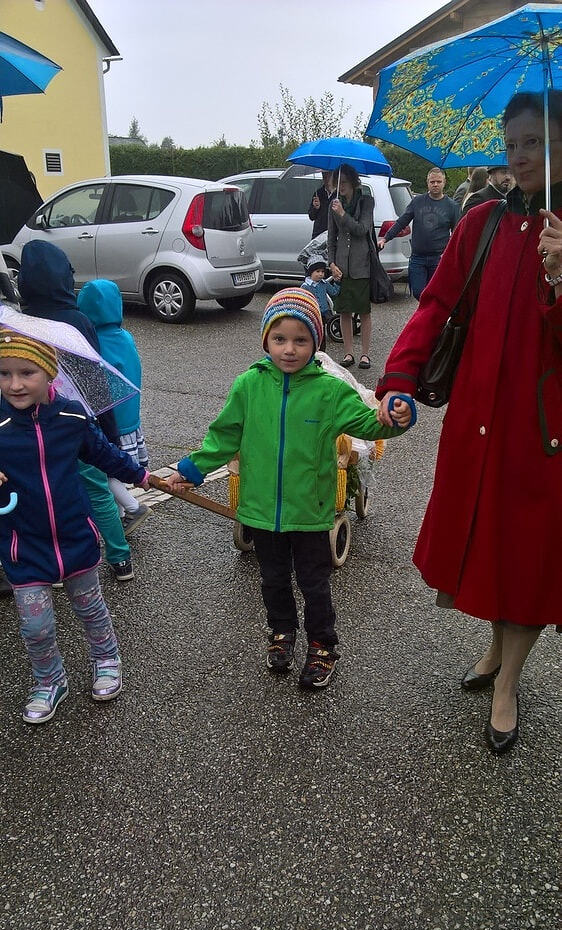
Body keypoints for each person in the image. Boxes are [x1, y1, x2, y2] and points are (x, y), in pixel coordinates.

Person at [375, 89, 562, 755]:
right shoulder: (481, 220)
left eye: (535, 142)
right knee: (486, 545)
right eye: (512, 145)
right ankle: (494, 648)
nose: (521, 156)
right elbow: (436, 304)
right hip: (477, 421)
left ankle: (509, 681)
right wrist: (399, 375)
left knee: (528, 558)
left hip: (541, 434)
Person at [167, 287, 416, 690]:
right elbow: (223, 437)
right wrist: (190, 469)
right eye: (279, 338)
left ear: (315, 343)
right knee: (273, 580)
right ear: (266, 339)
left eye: (301, 340)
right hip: (262, 510)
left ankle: (322, 646)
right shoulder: (249, 385)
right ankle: (282, 632)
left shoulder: (330, 391)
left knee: (314, 584)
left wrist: (396, 417)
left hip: (310, 511)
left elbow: (370, 424)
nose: (289, 349)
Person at [0, 329, 151, 724]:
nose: (15, 384)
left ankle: (107, 659)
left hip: (74, 537)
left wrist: (142, 476)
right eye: (4, 373)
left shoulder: (72, 416)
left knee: (90, 608)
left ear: (49, 373)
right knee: (35, 626)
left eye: (27, 372)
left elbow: (104, 454)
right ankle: (49, 681)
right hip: (23, 545)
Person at [17, 241, 136, 581]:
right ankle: (120, 558)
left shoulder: (21, 323)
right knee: (98, 489)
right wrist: (109, 431)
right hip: (79, 420)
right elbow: (95, 378)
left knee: (47, 494)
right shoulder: (77, 321)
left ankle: (55, 564)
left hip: (36, 426)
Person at [77, 279, 150, 537]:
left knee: (106, 469)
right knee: (115, 469)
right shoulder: (125, 337)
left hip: (112, 420)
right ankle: (118, 517)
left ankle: (133, 507)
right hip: (130, 416)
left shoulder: (92, 343)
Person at [378, 167, 460, 300]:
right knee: (418, 292)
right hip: (418, 257)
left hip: (438, 258)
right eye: (432, 182)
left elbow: (457, 233)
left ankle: (430, 313)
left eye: (438, 182)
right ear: (427, 183)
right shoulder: (417, 201)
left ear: (444, 183)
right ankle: (425, 310)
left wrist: (451, 254)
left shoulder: (452, 206)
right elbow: (402, 222)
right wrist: (385, 238)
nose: (435, 184)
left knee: (436, 293)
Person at [327, 163, 374, 370]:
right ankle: (348, 353)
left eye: (344, 182)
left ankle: (365, 354)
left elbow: (362, 229)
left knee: (363, 311)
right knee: (344, 311)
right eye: (338, 183)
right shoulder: (333, 203)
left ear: (353, 182)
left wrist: (343, 214)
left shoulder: (366, 201)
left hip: (361, 264)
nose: (341, 186)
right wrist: (331, 263)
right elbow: (331, 237)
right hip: (341, 265)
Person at [300, 254, 340, 326]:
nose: (321, 274)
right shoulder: (305, 286)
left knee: (333, 322)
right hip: (312, 312)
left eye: (322, 271)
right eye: (318, 271)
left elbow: (334, 292)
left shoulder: (324, 283)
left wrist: (337, 282)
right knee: (315, 326)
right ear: (311, 272)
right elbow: (302, 302)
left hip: (325, 311)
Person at [308, 171, 335, 238]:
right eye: (324, 176)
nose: (326, 178)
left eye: (329, 175)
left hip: (333, 234)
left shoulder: (339, 194)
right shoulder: (318, 193)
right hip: (318, 234)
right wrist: (315, 208)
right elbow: (311, 216)